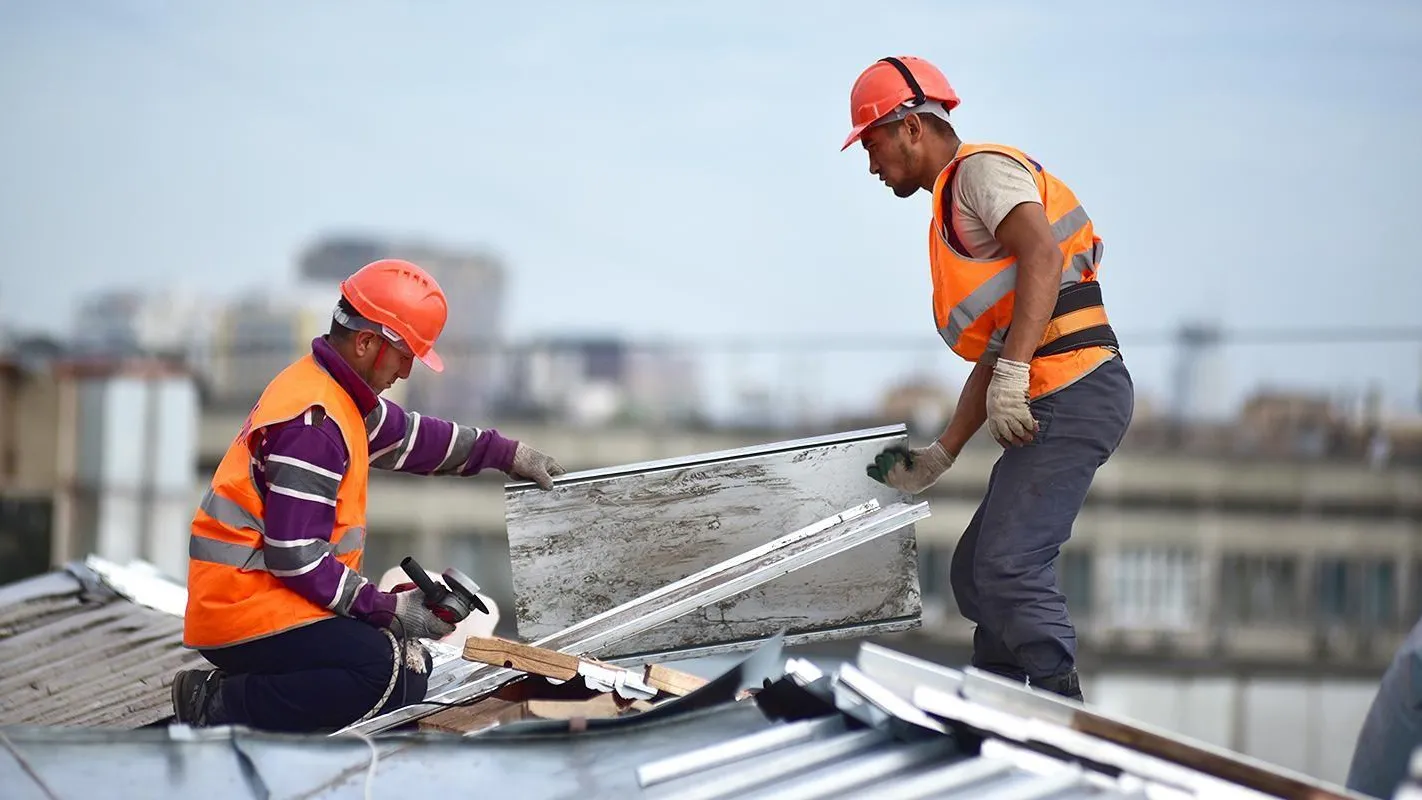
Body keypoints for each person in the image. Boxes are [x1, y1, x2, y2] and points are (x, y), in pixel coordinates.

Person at [171, 258, 566, 732]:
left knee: (407, 669)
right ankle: (216, 705)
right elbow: (296, 557)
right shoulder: (314, 424)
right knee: (382, 672)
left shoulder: (336, 395)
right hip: (244, 611)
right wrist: (388, 610)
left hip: (271, 600)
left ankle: (247, 696)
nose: (406, 369)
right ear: (366, 343)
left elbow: (414, 439)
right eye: (405, 355)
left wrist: (505, 453)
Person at [845, 56, 1134, 702]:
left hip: (1077, 386)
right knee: (976, 574)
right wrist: (942, 453)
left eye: (872, 143)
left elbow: (1042, 253)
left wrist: (1014, 373)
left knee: (1007, 567)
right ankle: (1000, 698)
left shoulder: (978, 174)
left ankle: (1063, 713)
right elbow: (1003, 343)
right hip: (1058, 388)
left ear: (912, 128)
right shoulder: (955, 204)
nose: (870, 164)